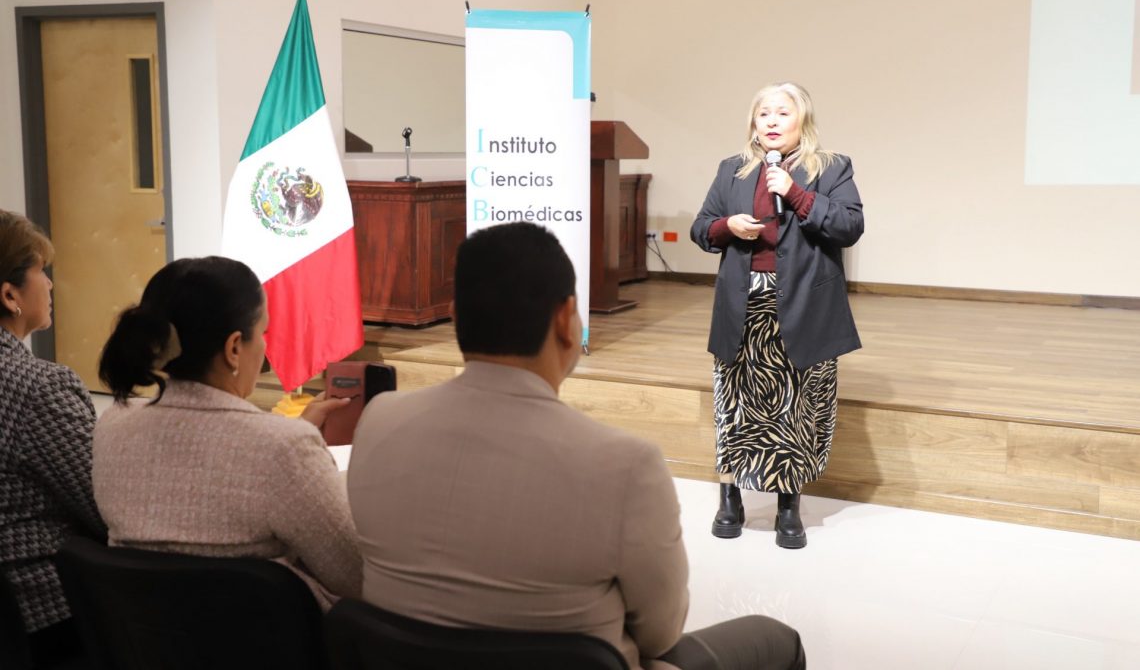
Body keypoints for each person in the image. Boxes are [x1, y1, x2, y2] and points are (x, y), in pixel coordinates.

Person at [349, 222, 805, 670]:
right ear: (566, 320)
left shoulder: (378, 421)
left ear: (455, 317)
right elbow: (660, 634)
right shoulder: (626, 465)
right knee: (776, 639)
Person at [93, 256, 361, 609]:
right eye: (262, 333)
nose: (264, 348)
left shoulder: (112, 426)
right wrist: (294, 445)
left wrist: (292, 434)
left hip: (145, 637)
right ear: (234, 348)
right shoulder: (284, 449)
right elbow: (356, 576)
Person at [691, 82, 863, 549]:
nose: (771, 120)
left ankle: (789, 505)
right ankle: (730, 499)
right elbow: (701, 228)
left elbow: (850, 226)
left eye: (782, 112)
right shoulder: (732, 169)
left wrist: (797, 194)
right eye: (763, 113)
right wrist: (727, 226)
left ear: (801, 119)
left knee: (795, 405)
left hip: (804, 302)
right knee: (735, 402)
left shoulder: (831, 166)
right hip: (743, 302)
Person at [0, 210, 107, 667]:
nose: (49, 284)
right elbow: (106, 507)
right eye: (42, 271)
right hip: (43, 612)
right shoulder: (39, 387)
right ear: (10, 295)